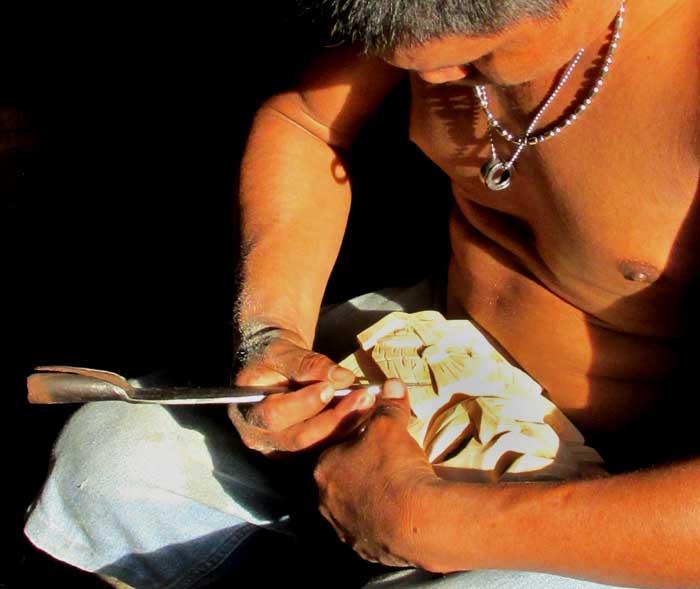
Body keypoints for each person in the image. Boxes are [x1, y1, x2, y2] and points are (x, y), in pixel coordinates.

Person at [24, 0, 700, 587]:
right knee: (113, 459)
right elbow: (307, 122)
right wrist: (270, 332)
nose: (434, 80)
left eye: (480, 57)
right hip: (425, 356)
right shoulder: (434, 21)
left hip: (626, 485)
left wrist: (428, 521)